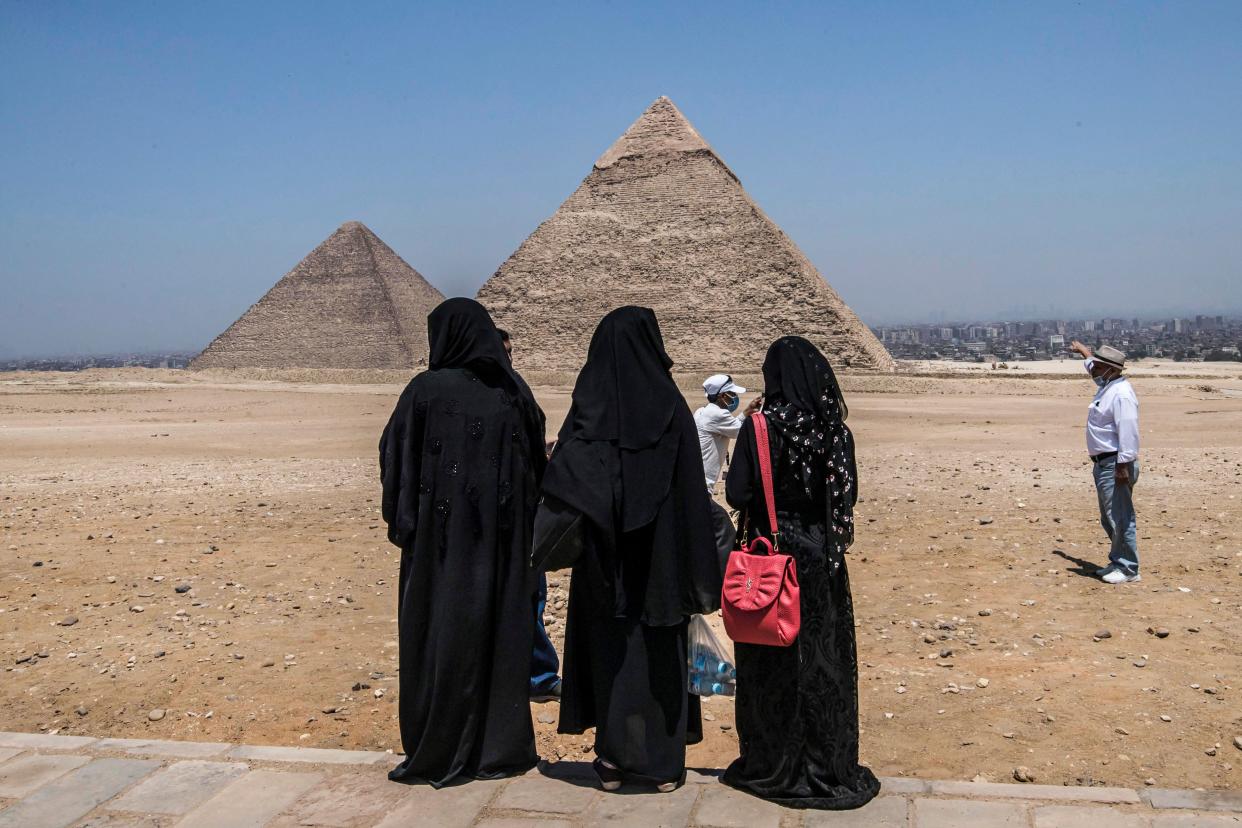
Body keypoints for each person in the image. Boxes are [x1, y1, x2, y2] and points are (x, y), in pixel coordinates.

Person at [533, 306, 722, 793]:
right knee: (659, 654)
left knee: (610, 654)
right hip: (661, 563)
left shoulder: (590, 406)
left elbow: (564, 477)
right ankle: (663, 766)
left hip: (604, 560)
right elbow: (691, 499)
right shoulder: (672, 409)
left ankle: (613, 760)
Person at [380, 298, 547, 787]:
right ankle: (499, 747)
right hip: (503, 553)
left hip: (440, 553)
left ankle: (437, 748)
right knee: (500, 639)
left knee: (440, 638)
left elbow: (395, 462)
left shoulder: (424, 393)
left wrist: (409, 524)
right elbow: (536, 468)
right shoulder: (514, 392)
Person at [722, 336, 880, 810]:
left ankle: (774, 764)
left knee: (771, 664)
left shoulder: (760, 428)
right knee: (822, 662)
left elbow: (737, 494)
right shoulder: (835, 433)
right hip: (821, 560)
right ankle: (827, 764)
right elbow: (845, 500)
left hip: (773, 563)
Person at [499, 327, 563, 701]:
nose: (508, 360)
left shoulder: (517, 393)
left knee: (530, 599)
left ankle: (538, 675)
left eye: (511, 352)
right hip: (475, 524)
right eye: (502, 351)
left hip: (520, 520)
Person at [1069, 341, 1141, 583]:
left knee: (1121, 517)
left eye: (1099, 366)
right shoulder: (1107, 385)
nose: (1094, 369)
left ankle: (1129, 568)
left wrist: (1123, 466)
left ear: (1111, 369)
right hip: (1103, 464)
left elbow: (1129, 433)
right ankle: (1118, 561)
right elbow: (1092, 366)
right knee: (1109, 516)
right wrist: (1084, 351)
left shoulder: (1121, 394)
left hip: (1115, 464)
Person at [695, 374, 763, 572]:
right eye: (732, 394)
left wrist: (746, 412)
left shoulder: (702, 412)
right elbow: (742, 431)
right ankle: (723, 581)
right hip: (701, 487)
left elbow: (732, 427)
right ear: (723, 396)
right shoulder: (717, 415)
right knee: (725, 533)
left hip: (694, 484)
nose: (734, 398)